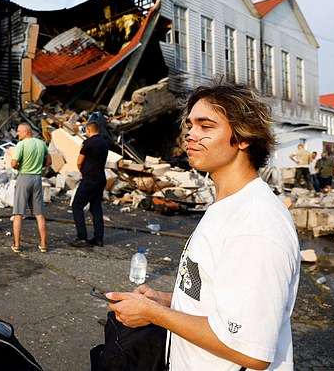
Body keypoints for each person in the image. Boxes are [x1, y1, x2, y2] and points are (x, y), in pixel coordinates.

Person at [106, 83, 301, 370]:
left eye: (205, 126)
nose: (190, 135)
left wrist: (154, 314)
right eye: (189, 125)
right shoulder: (227, 205)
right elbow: (219, 298)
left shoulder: (255, 225)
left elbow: (250, 351)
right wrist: (165, 302)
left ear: (243, 137)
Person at [11, 122, 51, 253]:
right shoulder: (42, 143)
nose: (17, 133)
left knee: (18, 213)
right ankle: (43, 244)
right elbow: (49, 161)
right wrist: (40, 166)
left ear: (26, 131)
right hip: (37, 178)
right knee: (39, 213)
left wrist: (19, 166)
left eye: (19, 131)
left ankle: (17, 244)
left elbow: (13, 163)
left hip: (24, 177)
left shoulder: (21, 145)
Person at [70, 121, 110, 247]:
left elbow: (79, 161)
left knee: (77, 205)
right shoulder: (105, 143)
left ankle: (82, 237)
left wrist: (82, 171)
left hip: (89, 179)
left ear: (88, 130)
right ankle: (99, 238)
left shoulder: (87, 143)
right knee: (96, 207)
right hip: (101, 178)